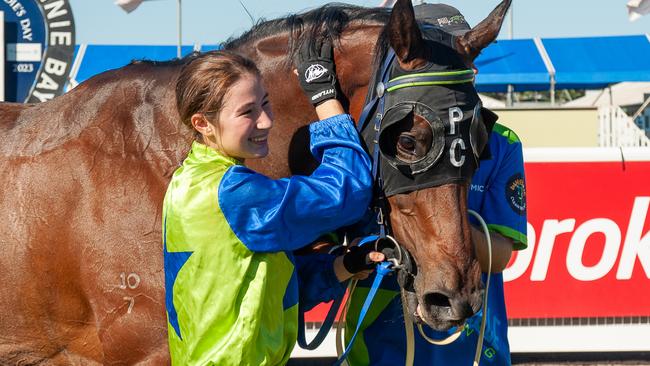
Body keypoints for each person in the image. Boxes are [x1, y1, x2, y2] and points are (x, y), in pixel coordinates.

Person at [163, 42, 384, 365]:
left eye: (265, 104)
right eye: (247, 112)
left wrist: (344, 266)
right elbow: (348, 190)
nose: (266, 121)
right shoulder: (234, 193)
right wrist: (325, 100)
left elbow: (263, 293)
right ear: (202, 124)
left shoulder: (188, 180)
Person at [344, 3, 528, 365]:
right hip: (380, 342)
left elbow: (502, 255)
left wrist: (439, 228)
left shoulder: (502, 141)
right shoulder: (365, 140)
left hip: (472, 344)